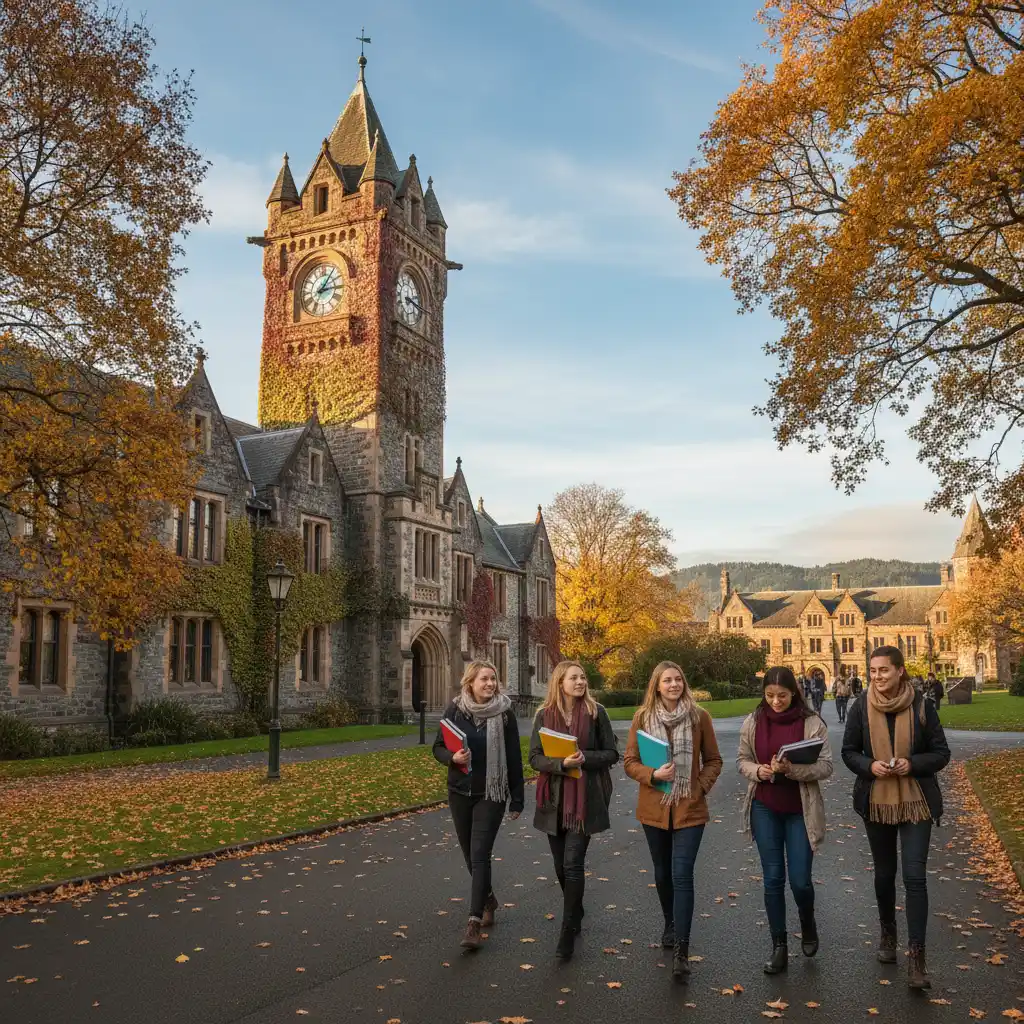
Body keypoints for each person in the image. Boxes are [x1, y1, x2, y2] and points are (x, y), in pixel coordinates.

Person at [841, 645, 950, 990]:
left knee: (914, 876)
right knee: (885, 874)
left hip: (915, 799)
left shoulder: (922, 705)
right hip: (877, 799)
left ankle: (917, 958)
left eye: (884, 670)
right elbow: (849, 752)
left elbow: (941, 752)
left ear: (900, 671)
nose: (877, 677)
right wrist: (870, 766)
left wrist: (912, 764)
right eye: (872, 671)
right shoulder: (861, 706)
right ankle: (888, 933)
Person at [624, 661, 723, 982]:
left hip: (689, 809)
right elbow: (629, 761)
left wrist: (700, 786)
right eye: (667, 680)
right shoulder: (642, 718)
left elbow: (714, 760)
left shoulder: (699, 717)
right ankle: (670, 921)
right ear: (656, 685)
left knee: (682, 874)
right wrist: (652, 775)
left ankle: (682, 948)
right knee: (663, 873)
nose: (673, 684)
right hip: (654, 808)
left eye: (678, 679)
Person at [737, 666, 833, 974]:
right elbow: (742, 760)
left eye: (782, 696)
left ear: (794, 693)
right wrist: (759, 771)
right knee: (773, 878)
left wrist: (791, 770)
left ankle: (807, 921)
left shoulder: (812, 723)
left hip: (800, 810)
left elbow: (826, 766)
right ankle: (778, 945)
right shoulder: (753, 721)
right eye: (769, 696)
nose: (775, 702)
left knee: (801, 881)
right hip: (765, 806)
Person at [529, 660, 619, 960]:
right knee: (559, 867)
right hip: (552, 801)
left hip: (586, 800)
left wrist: (584, 759)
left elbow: (611, 753)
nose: (580, 682)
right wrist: (560, 765)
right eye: (574, 678)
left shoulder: (597, 713)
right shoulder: (544, 715)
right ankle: (576, 906)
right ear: (560, 682)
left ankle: (567, 933)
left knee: (572, 864)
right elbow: (534, 757)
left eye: (583, 677)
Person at [432, 659, 525, 950]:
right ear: (470, 682)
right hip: (459, 791)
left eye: (493, 679)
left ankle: (473, 922)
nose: (490, 684)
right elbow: (437, 747)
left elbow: (513, 758)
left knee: (480, 853)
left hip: (491, 793)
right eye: (484, 679)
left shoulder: (505, 714)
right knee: (469, 857)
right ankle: (488, 899)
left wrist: (517, 799)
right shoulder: (455, 710)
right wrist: (452, 759)